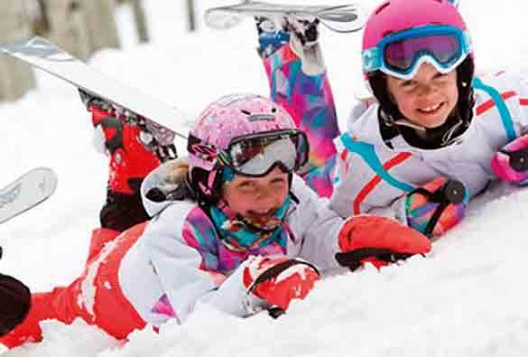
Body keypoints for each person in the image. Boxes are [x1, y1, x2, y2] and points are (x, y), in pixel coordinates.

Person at [0, 94, 431, 349]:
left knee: (118, 230)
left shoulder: (290, 194)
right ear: (213, 183)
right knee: (44, 311)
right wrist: (253, 281)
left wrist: (349, 237)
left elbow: (313, 232)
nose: (268, 200)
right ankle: (129, 157)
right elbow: (197, 316)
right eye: (249, 186)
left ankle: (130, 150)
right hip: (112, 289)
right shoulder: (179, 231)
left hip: (140, 245)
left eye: (278, 182)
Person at [258, 0, 528, 238]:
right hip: (342, 168)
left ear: (462, 75)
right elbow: (331, 229)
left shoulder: (504, 104)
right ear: (383, 90)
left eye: (440, 76)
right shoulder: (367, 170)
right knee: (314, 161)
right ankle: (285, 46)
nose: (429, 94)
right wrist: (402, 215)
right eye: (409, 84)